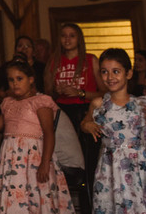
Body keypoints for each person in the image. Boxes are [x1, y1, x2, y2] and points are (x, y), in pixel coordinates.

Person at [0, 59, 74, 214]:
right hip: (12, 160)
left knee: (36, 197)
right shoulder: (8, 103)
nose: (15, 84)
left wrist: (45, 163)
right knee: (13, 195)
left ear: (31, 79)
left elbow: (48, 133)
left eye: (19, 79)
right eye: (11, 80)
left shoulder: (40, 101)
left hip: (34, 159)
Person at [80, 48, 146, 214]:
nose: (110, 77)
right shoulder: (99, 104)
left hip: (139, 165)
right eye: (104, 72)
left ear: (129, 74)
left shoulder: (141, 104)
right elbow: (85, 123)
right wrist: (87, 125)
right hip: (110, 166)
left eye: (116, 71)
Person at [46, 23, 100, 186]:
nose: (67, 39)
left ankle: (89, 199)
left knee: (89, 158)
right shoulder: (54, 61)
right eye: (63, 35)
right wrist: (58, 90)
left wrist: (80, 93)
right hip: (62, 112)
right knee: (63, 158)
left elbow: (104, 92)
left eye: (72, 35)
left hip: (85, 111)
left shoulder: (90, 60)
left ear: (79, 39)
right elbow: (47, 93)